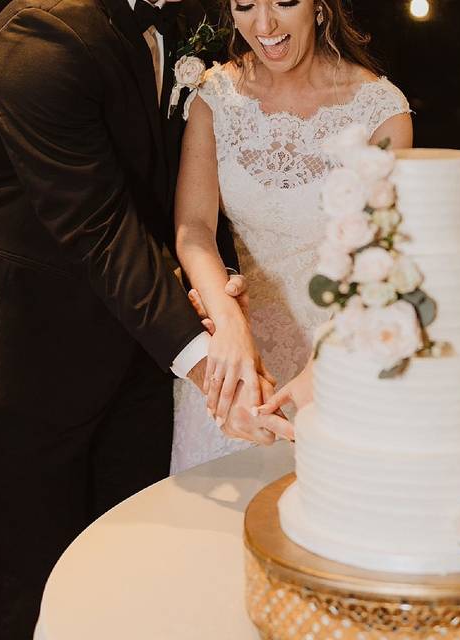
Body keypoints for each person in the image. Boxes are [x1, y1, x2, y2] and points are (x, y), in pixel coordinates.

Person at [0, 0, 281, 636]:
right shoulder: (33, 38)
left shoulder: (171, 29)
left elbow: (166, 195)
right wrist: (213, 370)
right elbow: (98, 228)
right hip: (29, 363)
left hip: (134, 360)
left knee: (127, 588)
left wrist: (214, 287)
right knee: (34, 599)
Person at [170, 0, 412, 472]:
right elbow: (194, 228)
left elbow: (387, 261)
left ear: (322, 7)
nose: (264, 25)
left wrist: (326, 368)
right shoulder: (214, 97)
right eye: (245, 5)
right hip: (241, 363)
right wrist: (228, 326)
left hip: (344, 350)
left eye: (284, 2)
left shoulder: (382, 111)